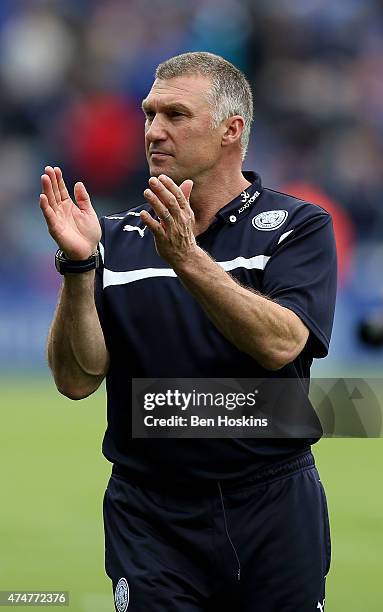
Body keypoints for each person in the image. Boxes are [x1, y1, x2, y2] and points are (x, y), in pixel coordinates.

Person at [40, 52, 336, 612]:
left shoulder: (298, 226)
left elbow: (282, 344)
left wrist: (188, 259)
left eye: (176, 115)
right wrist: (79, 269)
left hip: (273, 502)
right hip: (149, 512)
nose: (154, 131)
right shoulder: (115, 238)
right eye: (149, 115)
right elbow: (77, 381)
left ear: (231, 131)